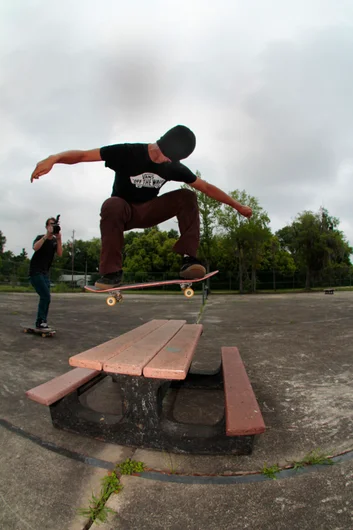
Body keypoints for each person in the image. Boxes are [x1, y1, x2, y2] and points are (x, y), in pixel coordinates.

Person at [30, 125, 252, 289]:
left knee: (188, 196)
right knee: (111, 204)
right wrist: (54, 158)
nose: (169, 163)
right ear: (162, 145)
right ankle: (111, 274)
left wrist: (237, 205)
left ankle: (189, 260)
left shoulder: (173, 166)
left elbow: (205, 186)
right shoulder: (128, 152)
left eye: (173, 160)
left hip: (149, 210)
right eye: (168, 157)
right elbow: (83, 155)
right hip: (123, 212)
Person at [29, 217, 63, 328]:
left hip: (45, 273)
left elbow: (60, 254)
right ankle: (40, 321)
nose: (53, 227)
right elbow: (35, 247)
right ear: (47, 226)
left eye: (55, 225)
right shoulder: (40, 238)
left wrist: (58, 239)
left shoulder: (54, 241)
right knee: (45, 296)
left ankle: (42, 320)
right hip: (35, 272)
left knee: (46, 297)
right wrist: (46, 235)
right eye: (51, 225)